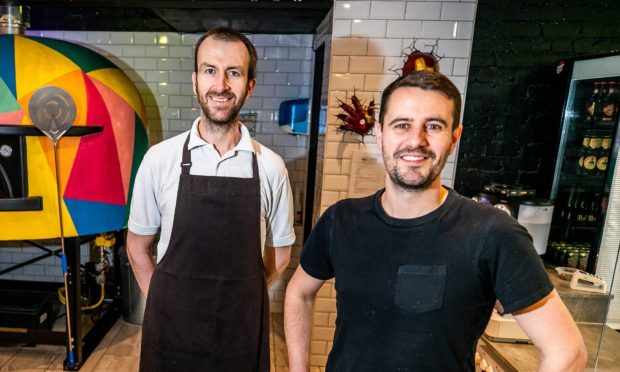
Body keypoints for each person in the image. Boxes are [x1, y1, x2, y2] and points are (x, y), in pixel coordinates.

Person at [284, 70, 587, 371]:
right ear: (379, 133)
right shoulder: (341, 220)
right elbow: (299, 293)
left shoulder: (492, 233)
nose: (416, 140)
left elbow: (567, 351)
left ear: (455, 136)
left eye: (434, 126)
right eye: (401, 125)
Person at [127, 27, 295, 372]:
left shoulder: (271, 167)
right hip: (171, 328)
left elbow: (280, 254)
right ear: (195, 81)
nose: (220, 85)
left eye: (233, 72)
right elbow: (137, 246)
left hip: (241, 330)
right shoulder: (160, 160)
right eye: (210, 71)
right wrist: (164, 302)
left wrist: (240, 297)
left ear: (249, 85)